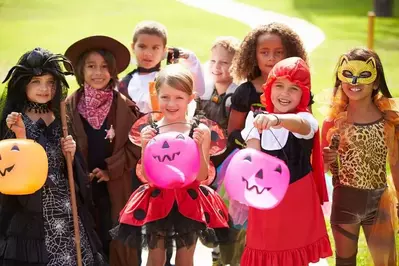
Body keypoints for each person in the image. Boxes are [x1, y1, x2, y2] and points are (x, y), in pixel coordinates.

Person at [112, 64, 232, 266]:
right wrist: (144, 146)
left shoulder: (198, 130)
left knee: (185, 258)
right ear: (156, 95)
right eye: (165, 97)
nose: (171, 103)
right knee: (155, 257)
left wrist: (198, 145)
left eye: (179, 97)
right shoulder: (152, 130)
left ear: (190, 98)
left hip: (189, 200)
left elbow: (202, 176)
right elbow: (148, 177)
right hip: (158, 199)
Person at [0, 47, 106, 265]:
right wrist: (20, 134)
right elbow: (13, 168)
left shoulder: (60, 115)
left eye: (50, 82)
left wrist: (71, 152)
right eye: (36, 82)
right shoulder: (14, 119)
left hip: (66, 204)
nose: (44, 89)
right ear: (23, 85)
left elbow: (70, 167)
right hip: (31, 206)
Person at [240, 57, 332, 266]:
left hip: (297, 197)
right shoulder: (254, 117)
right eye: (279, 85)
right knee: (265, 249)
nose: (284, 93)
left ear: (303, 95)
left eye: (294, 89)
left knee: (294, 254)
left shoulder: (306, 119)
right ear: (269, 87)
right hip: (266, 196)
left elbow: (300, 125)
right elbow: (253, 157)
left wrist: (276, 120)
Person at [64, 35, 141, 266]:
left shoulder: (125, 107)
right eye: (91, 66)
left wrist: (111, 170)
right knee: (88, 239)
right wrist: (78, 169)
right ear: (81, 70)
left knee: (117, 241)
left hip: (116, 186)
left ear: (113, 70)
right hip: (82, 187)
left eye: (104, 67)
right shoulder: (69, 106)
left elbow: (136, 145)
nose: (98, 73)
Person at [322, 47, 399, 266]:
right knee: (345, 260)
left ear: (376, 82)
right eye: (348, 74)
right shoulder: (334, 122)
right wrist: (326, 160)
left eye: (364, 75)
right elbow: (322, 167)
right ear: (340, 78)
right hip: (345, 200)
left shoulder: (389, 120)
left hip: (380, 202)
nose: (354, 81)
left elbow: (396, 164)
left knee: (386, 262)